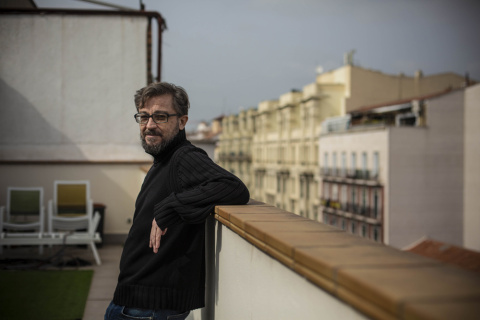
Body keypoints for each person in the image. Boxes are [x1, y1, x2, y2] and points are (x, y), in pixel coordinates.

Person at [105, 82, 250, 320]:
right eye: (144, 117)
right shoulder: (163, 159)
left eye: (160, 117)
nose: (149, 125)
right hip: (138, 302)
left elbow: (234, 187)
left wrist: (171, 206)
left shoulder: (184, 157)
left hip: (147, 309)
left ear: (182, 122)